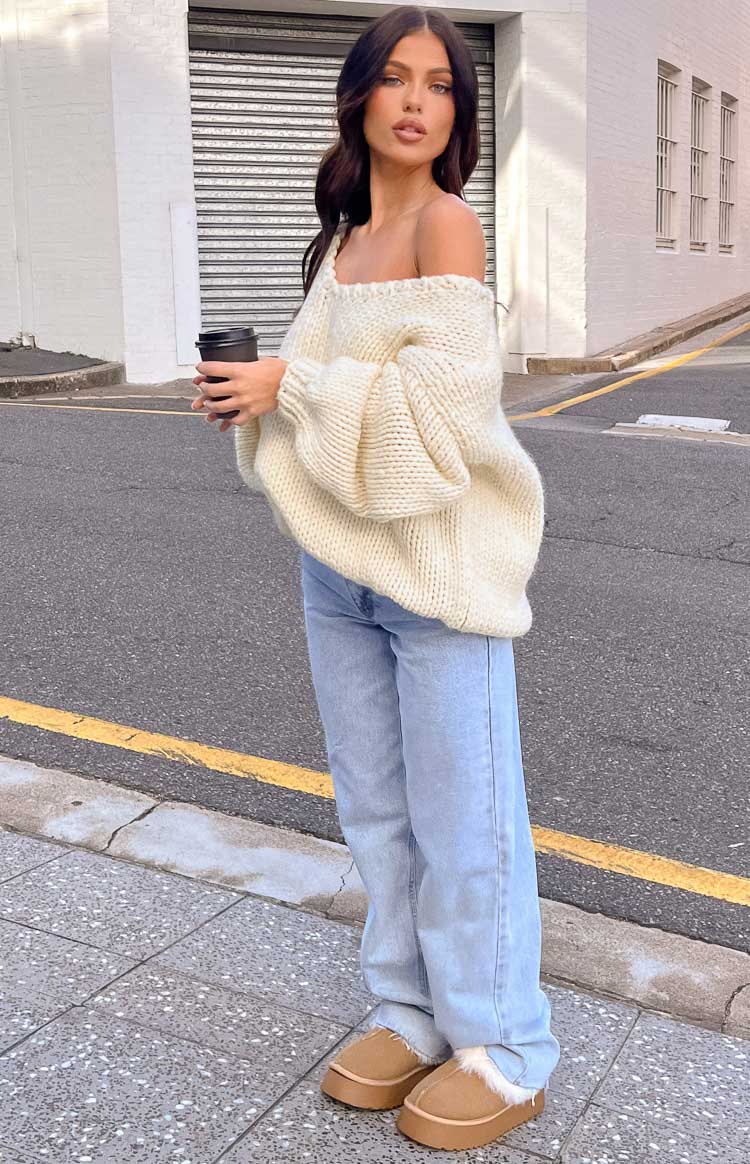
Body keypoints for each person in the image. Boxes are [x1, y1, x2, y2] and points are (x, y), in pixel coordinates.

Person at [192, 4, 560, 1151]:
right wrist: (254, 395)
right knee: (379, 813)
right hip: (340, 571)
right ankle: (411, 1010)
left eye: (440, 84)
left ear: (459, 112)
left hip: (438, 577)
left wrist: (290, 389)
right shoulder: (346, 242)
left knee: (467, 821)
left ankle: (503, 1045)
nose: (416, 100)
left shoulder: (449, 226)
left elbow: (443, 417)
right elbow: (324, 401)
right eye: (396, 77)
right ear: (357, 96)